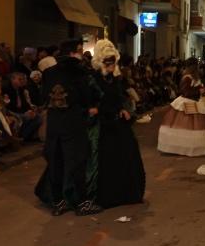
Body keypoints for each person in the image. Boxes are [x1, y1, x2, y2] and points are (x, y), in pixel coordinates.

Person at [37, 39, 102, 216]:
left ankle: (58, 202)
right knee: (78, 163)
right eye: (80, 51)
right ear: (76, 51)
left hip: (54, 124)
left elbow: (43, 96)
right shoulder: (79, 72)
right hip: (73, 123)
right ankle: (82, 203)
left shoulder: (49, 72)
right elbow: (86, 97)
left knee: (56, 162)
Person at [90, 40, 145, 208]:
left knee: (127, 156)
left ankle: (126, 194)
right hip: (101, 125)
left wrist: (123, 109)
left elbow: (118, 96)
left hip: (117, 123)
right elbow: (91, 99)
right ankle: (107, 197)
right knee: (106, 161)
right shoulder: (93, 78)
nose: (112, 65)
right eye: (108, 62)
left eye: (113, 61)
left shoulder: (115, 79)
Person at [157, 64, 205, 156]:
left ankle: (191, 147)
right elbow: (185, 91)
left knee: (193, 127)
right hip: (187, 103)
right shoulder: (187, 78)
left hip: (195, 102)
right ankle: (181, 147)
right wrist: (198, 91)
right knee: (186, 126)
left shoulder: (195, 78)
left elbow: (196, 89)